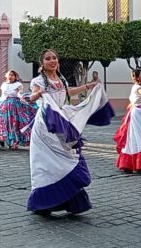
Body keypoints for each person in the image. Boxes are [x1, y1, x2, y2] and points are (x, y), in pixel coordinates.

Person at [26, 49, 114, 216]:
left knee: (67, 158)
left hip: (62, 121)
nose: (52, 61)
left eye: (54, 58)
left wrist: (89, 86)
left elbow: (67, 93)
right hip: (47, 126)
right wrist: (39, 93)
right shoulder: (38, 80)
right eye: (48, 59)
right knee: (47, 164)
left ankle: (70, 200)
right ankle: (43, 202)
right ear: (41, 63)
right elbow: (31, 98)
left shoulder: (61, 78)